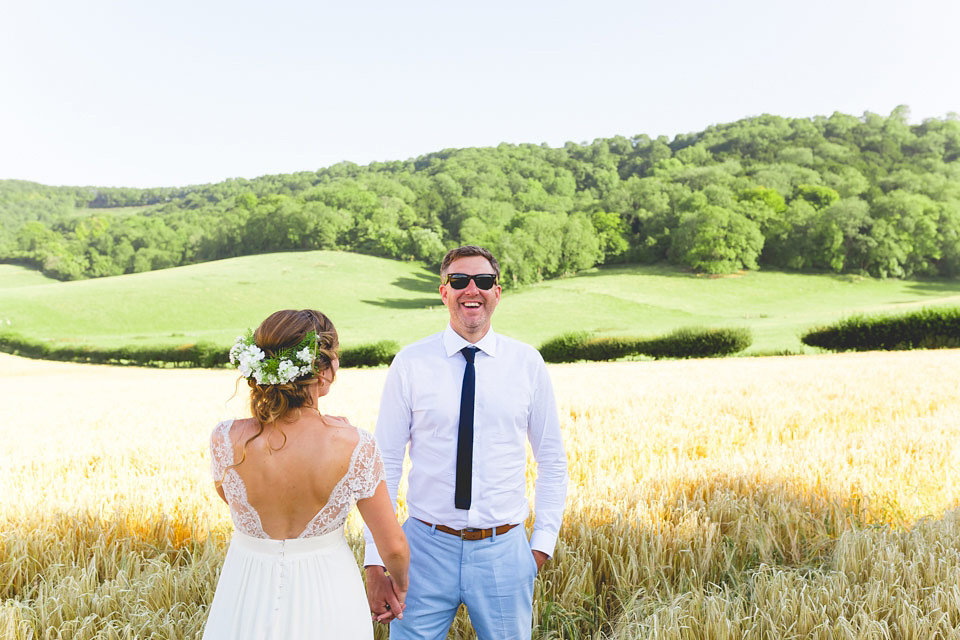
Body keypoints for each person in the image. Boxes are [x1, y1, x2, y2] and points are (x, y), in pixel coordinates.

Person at [362, 246, 568, 640]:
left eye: (483, 281)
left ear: (497, 292)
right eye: (459, 281)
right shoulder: (410, 363)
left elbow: (552, 461)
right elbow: (383, 464)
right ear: (444, 292)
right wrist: (376, 561)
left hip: (504, 550)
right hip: (423, 548)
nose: (471, 290)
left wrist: (539, 547)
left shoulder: (527, 363)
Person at [203, 309, 409, 640]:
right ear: (323, 371)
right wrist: (398, 583)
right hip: (328, 594)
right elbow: (394, 546)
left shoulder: (225, 438)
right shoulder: (354, 444)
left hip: (245, 590)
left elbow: (230, 498)